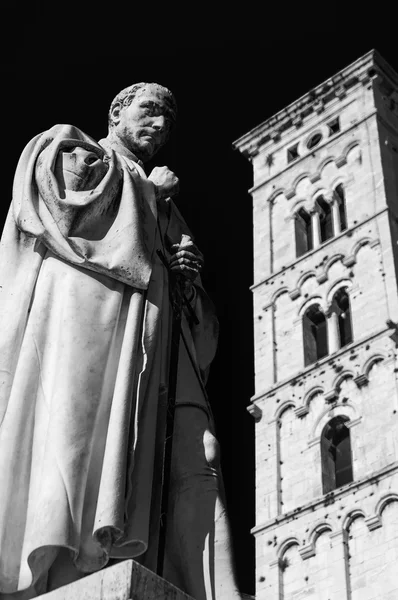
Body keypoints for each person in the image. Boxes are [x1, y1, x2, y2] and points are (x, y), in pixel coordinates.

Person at [0, 82, 244, 600]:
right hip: (91, 323)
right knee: (75, 432)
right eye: (150, 111)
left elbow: (197, 323)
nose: (159, 126)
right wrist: (148, 194)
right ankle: (60, 562)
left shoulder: (167, 205)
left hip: (151, 347)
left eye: (169, 122)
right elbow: (67, 207)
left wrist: (186, 275)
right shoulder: (72, 147)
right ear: (117, 110)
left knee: (173, 453)